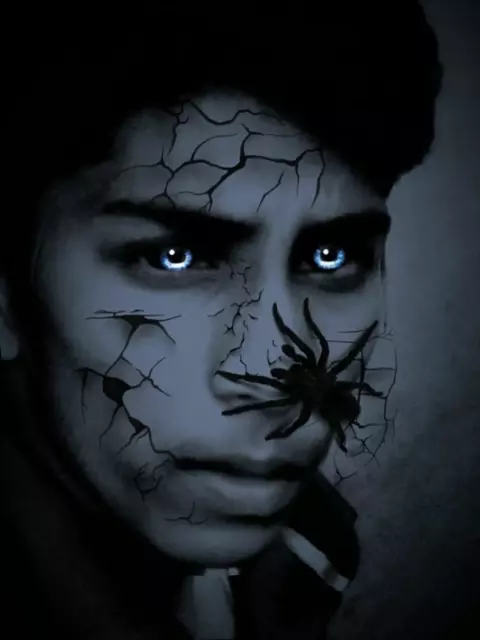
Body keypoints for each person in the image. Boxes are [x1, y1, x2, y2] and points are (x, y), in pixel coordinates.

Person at [0, 3, 442, 638]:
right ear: (10, 289)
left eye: (332, 256)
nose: (277, 374)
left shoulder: (309, 549)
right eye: (173, 257)